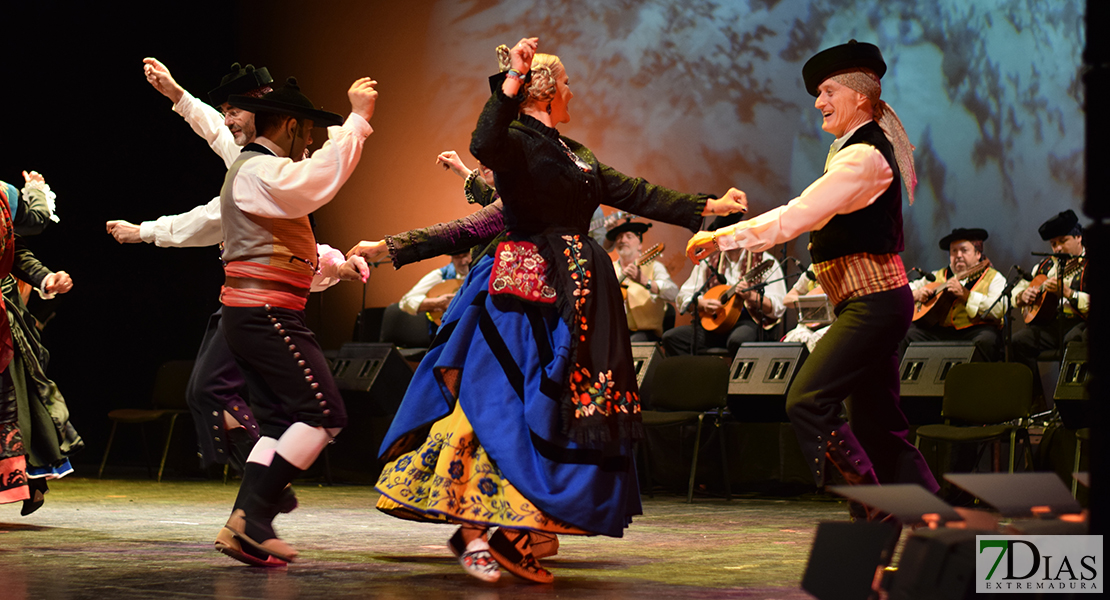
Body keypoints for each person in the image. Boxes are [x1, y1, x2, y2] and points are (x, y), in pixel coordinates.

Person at [354, 37, 745, 584]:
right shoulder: (513, 141)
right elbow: (482, 163)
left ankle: (518, 525)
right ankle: (490, 527)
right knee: (512, 398)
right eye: (565, 83)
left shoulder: (575, 153)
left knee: (554, 402)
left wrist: (708, 208)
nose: (572, 91)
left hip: (578, 292)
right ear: (544, 88)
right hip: (522, 294)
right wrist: (510, 81)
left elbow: (634, 191)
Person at [687, 40, 940, 518]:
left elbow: (798, 214)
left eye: (827, 91)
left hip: (875, 302)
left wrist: (722, 238)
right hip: (871, 302)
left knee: (806, 400)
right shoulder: (850, 150)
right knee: (880, 430)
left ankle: (874, 505)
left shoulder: (862, 157)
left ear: (860, 97)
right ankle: (940, 529)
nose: (818, 102)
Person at [106, 60, 366, 483]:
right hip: (249, 298)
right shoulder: (253, 156)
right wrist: (178, 96)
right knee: (210, 392)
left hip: (263, 302)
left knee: (287, 407)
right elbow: (214, 130)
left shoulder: (264, 163)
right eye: (225, 110)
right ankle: (263, 480)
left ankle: (265, 483)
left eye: (235, 110)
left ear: (264, 109)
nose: (227, 121)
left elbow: (217, 219)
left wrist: (146, 232)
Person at [210, 75, 377, 566]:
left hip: (256, 311)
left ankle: (241, 522)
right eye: (305, 131)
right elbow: (316, 182)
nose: (308, 142)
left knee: (279, 423)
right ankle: (255, 518)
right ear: (286, 125)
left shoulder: (261, 173)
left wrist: (336, 269)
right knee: (324, 414)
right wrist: (357, 121)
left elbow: (282, 257)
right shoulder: (259, 171)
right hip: (265, 314)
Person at [0, 171, 79, 515]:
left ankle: (27, 482)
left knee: (14, 398)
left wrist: (45, 277)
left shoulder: (3, 197)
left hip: (2, 318)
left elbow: (16, 250)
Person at [663, 212, 785, 357]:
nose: (730, 238)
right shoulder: (708, 263)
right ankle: (695, 377)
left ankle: (733, 379)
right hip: (714, 326)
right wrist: (702, 304)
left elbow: (778, 307)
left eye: (733, 232)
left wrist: (751, 295)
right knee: (671, 338)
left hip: (748, 323)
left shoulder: (765, 261)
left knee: (738, 340)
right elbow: (683, 297)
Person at [902, 228, 1004, 361]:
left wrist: (967, 295)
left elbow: (999, 309)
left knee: (987, 340)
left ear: (978, 254)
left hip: (974, 331)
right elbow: (904, 290)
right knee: (907, 334)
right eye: (954, 251)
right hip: (940, 332)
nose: (958, 255)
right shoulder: (937, 276)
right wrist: (917, 294)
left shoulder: (994, 277)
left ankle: (977, 381)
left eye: (964, 250)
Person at [1011, 209, 1088, 374]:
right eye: (1054, 244)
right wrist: (1022, 296)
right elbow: (1019, 288)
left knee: (1073, 340)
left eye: (1063, 241)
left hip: (1080, 323)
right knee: (1019, 341)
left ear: (1078, 237)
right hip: (1052, 325)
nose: (1058, 248)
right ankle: (1033, 397)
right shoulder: (1044, 266)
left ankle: (1069, 398)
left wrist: (1069, 293)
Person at [609, 220, 677, 342]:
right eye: (619, 238)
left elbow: (674, 293)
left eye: (629, 237)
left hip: (644, 332)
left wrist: (645, 281)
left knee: (631, 345)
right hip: (613, 330)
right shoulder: (609, 268)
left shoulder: (654, 267)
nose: (622, 240)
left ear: (640, 244)